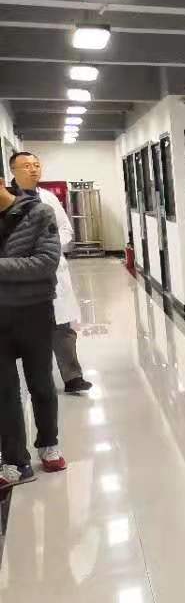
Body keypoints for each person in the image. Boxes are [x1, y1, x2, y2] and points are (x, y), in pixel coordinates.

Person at [0, 180, 66, 487]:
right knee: (4, 391)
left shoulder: (39, 213)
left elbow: (45, 263)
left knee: (41, 383)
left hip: (34, 312)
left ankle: (49, 444)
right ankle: (15, 460)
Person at [9, 152, 91, 393]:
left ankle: (73, 377)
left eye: (36, 165)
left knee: (63, 327)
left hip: (51, 269)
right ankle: (32, 382)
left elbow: (65, 229)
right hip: (22, 271)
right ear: (13, 170)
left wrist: (52, 247)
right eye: (26, 166)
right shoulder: (7, 199)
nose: (33, 169)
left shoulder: (48, 198)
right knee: (29, 329)